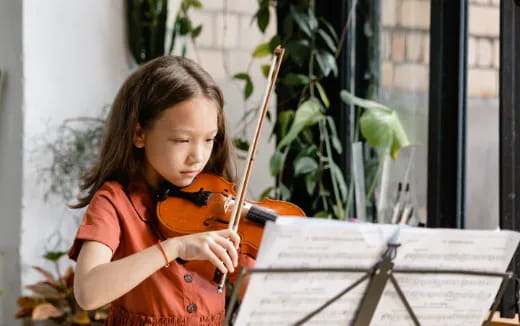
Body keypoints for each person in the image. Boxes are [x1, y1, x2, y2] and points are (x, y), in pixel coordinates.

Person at [68, 55, 253, 325]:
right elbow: (87, 293)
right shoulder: (114, 202)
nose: (197, 156)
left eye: (209, 139)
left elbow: (255, 288)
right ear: (139, 134)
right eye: (182, 140)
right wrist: (174, 247)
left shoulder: (217, 205)